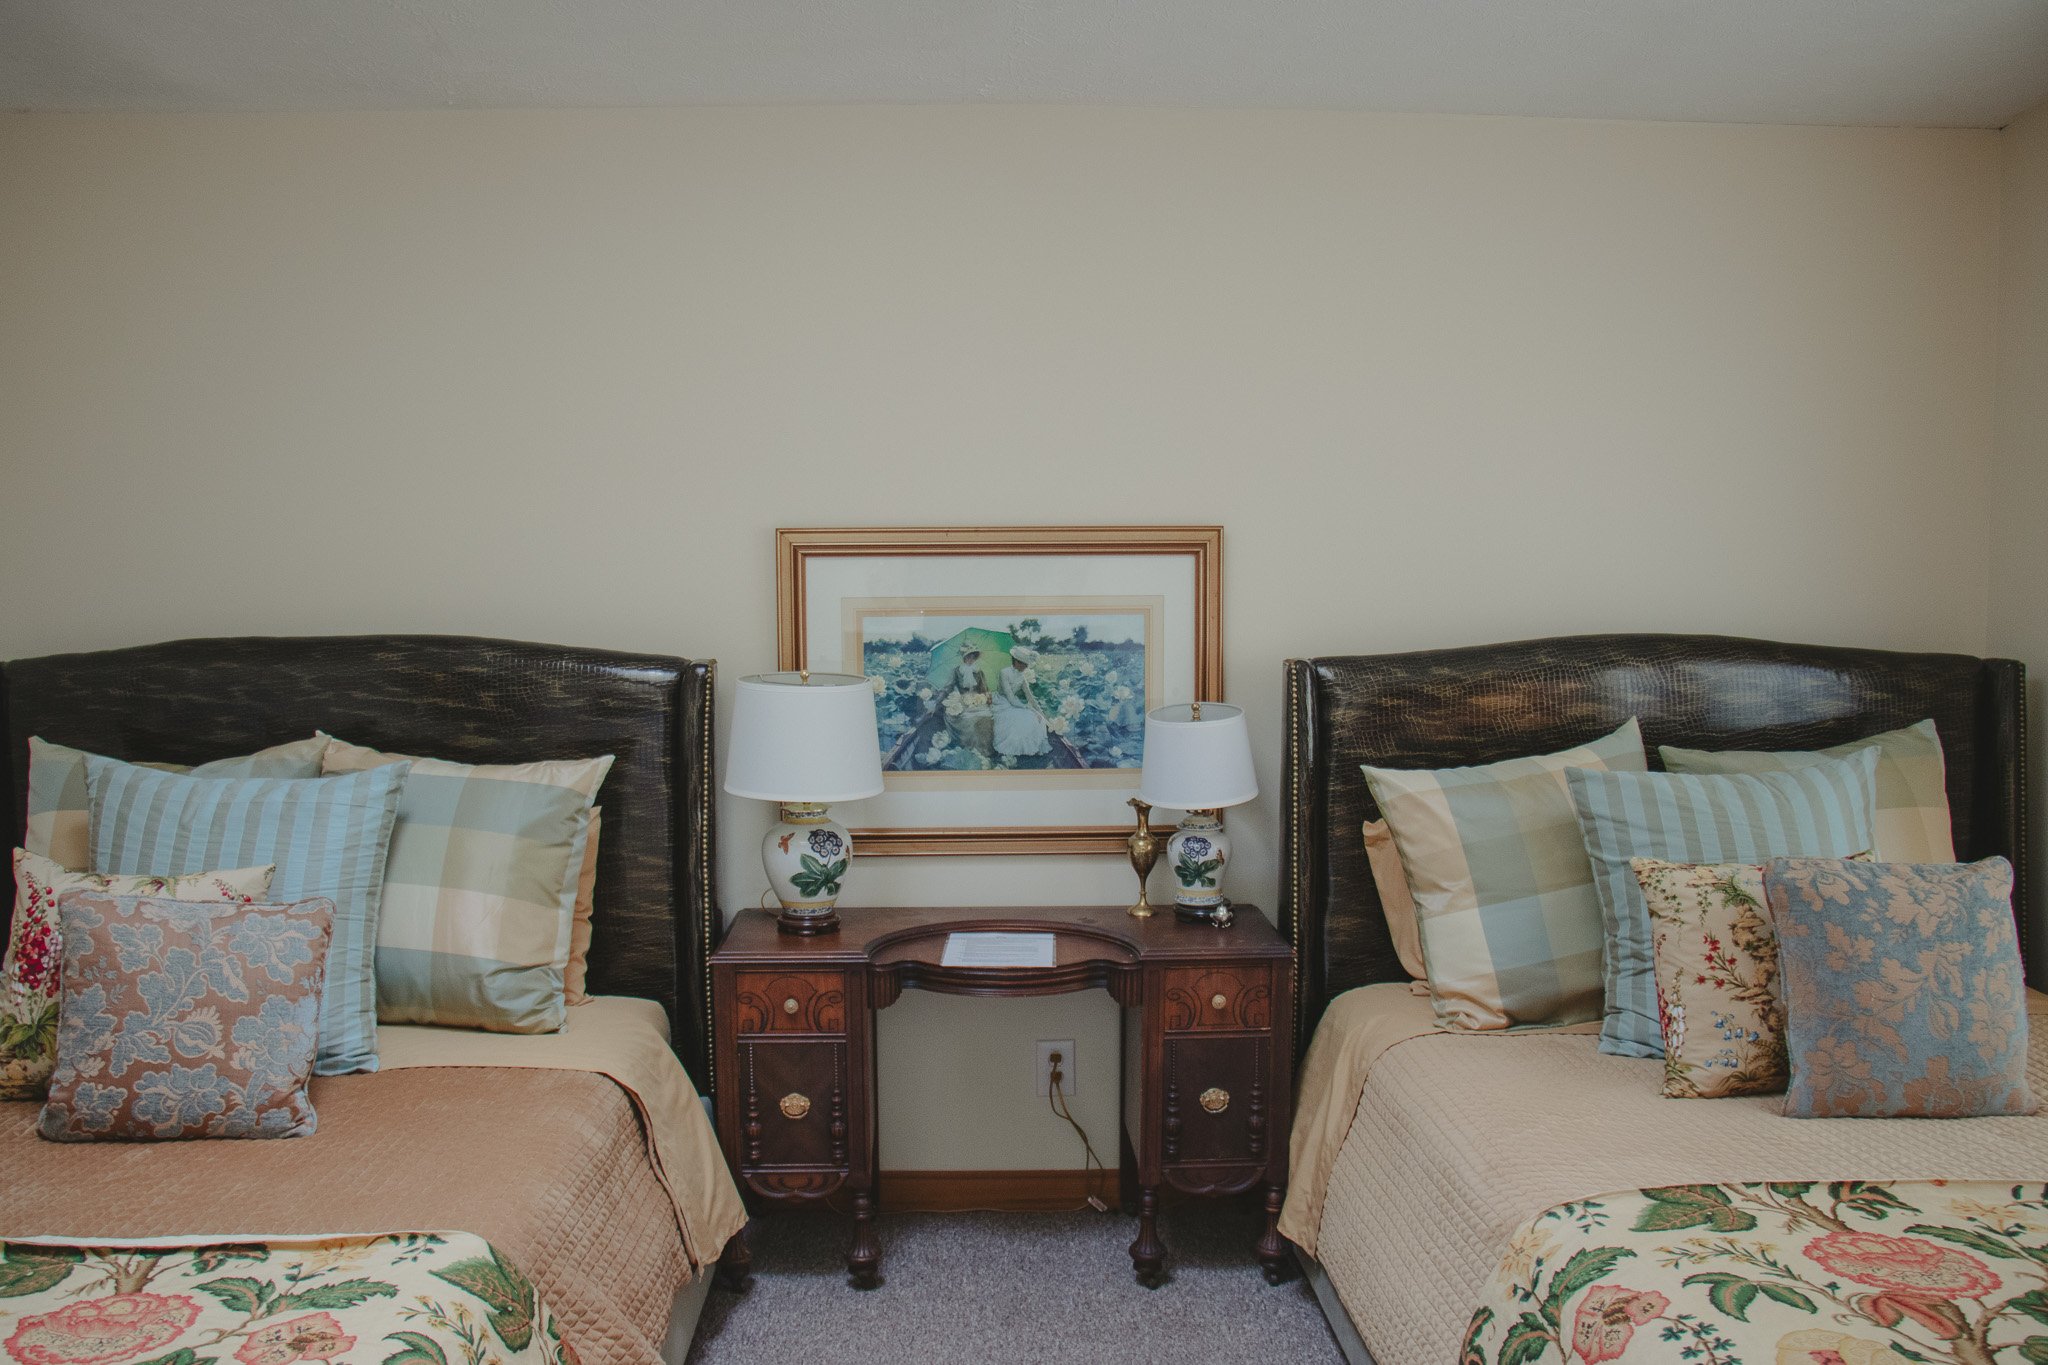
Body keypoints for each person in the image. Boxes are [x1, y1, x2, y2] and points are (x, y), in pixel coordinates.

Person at [993, 646, 1051, 759]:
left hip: (1014, 701)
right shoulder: (1004, 673)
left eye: (1027, 664)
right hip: (1002, 701)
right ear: (1016, 662)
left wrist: (1039, 711)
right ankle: (1014, 748)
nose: (1026, 667)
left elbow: (1029, 696)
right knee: (1021, 718)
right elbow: (1010, 697)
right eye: (1024, 664)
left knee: (1036, 717)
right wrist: (1028, 708)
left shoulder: (1022, 677)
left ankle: (1029, 746)